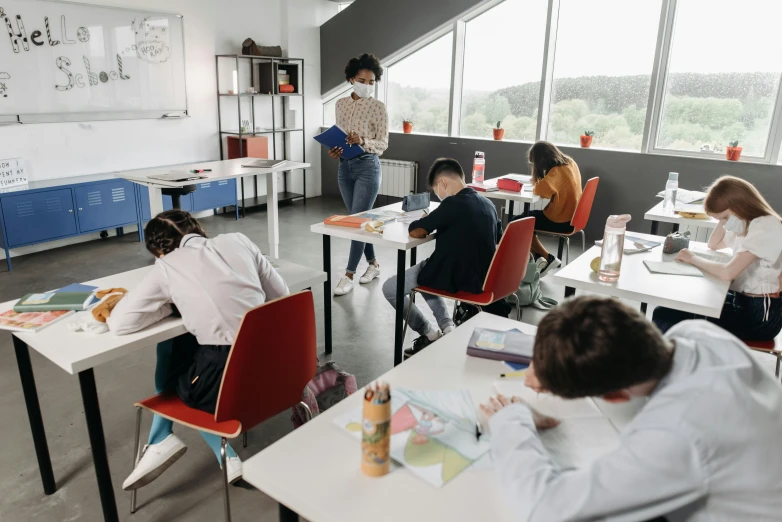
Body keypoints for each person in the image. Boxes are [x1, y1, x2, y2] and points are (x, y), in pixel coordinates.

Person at [482, 296, 782, 521]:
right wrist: (549, 366)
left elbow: (544, 508)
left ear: (613, 397)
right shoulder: (697, 333)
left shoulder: (677, 433)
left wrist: (511, 421)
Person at [107, 210, 289, 490]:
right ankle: (191, 449)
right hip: (278, 370)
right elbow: (282, 297)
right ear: (198, 229)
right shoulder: (238, 239)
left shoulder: (169, 267)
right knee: (187, 348)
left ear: (159, 251)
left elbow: (120, 324)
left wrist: (170, 304)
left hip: (229, 386)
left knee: (171, 357)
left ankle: (165, 441)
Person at [382, 158, 501, 357]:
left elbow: (416, 231)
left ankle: (427, 332)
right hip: (483, 278)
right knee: (429, 269)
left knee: (391, 288)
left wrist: (423, 221)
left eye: (437, 190)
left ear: (443, 183)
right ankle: (447, 328)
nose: (439, 195)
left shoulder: (452, 204)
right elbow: (496, 237)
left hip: (456, 277)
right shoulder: (488, 203)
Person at [652, 176, 782, 341]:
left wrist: (692, 258)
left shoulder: (765, 226)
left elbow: (728, 273)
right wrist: (724, 220)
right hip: (743, 302)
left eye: (724, 217)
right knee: (670, 308)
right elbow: (714, 244)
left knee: (666, 315)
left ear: (740, 205)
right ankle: (671, 360)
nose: (724, 222)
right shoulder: (746, 224)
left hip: (760, 316)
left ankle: (666, 361)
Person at [329, 53, 389, 296]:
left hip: (368, 166)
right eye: (362, 80)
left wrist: (363, 141)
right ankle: (373, 265)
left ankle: (349, 274)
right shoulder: (340, 104)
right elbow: (340, 135)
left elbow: (383, 143)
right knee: (358, 221)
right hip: (345, 167)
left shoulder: (378, 108)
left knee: (357, 224)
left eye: (371, 82)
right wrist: (336, 150)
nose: (367, 85)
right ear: (352, 79)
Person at [513, 141, 582, 276]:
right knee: (524, 219)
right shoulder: (569, 162)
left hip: (560, 220)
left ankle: (547, 257)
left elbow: (541, 190)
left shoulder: (556, 172)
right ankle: (539, 261)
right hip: (574, 217)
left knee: (517, 223)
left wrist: (535, 175)